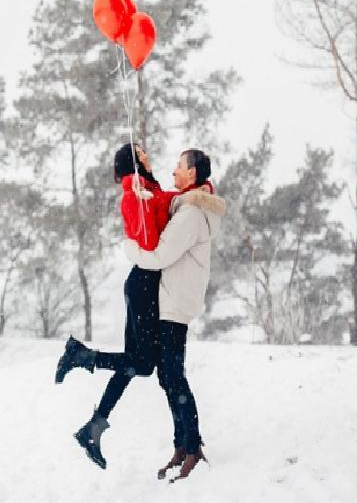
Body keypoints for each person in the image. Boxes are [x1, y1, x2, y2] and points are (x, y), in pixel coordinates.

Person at [54, 143, 212, 470]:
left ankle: (94, 428)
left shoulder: (153, 190)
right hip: (143, 284)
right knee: (143, 364)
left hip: (146, 284)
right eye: (143, 152)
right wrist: (134, 195)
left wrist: (203, 192)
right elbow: (151, 242)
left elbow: (175, 201)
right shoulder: (136, 194)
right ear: (136, 162)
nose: (150, 155)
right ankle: (81, 356)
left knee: (135, 364)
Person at [123, 148, 226, 482]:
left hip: (175, 301)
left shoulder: (192, 214)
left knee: (173, 376)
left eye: (179, 167)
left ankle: (193, 447)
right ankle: (182, 445)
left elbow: (160, 255)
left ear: (193, 174)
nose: (174, 171)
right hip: (175, 299)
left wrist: (130, 248)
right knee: (168, 375)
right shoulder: (188, 207)